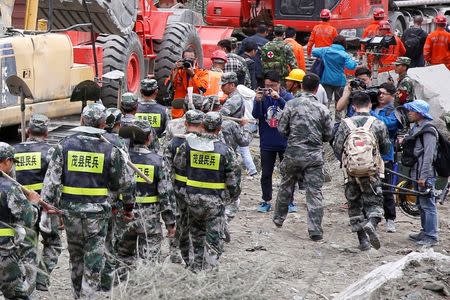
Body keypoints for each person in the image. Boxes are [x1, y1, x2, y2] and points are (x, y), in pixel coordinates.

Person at [41, 103, 135, 298]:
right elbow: (123, 183)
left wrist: (48, 209)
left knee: (75, 257)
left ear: (82, 120)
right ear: (103, 125)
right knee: (94, 260)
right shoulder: (111, 149)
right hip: (98, 215)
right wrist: (128, 206)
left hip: (71, 213)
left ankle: (78, 295)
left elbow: (51, 182)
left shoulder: (64, 145)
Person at [174, 112, 241, 271]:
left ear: (202, 126)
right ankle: (209, 276)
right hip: (214, 204)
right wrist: (231, 197)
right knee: (212, 242)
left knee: (196, 238)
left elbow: (179, 167)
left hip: (192, 201)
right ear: (219, 129)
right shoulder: (226, 151)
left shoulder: (187, 146)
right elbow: (233, 182)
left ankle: (195, 270)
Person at [273, 74, 333, 241]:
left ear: (301, 86)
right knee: (314, 192)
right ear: (316, 88)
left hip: (293, 153)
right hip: (314, 156)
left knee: (286, 186)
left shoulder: (291, 105)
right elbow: (328, 135)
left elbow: (281, 129)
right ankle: (315, 230)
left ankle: (278, 218)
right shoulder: (323, 109)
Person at [333, 92, 391, 251]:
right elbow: (386, 148)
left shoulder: (345, 124)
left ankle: (363, 242)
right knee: (374, 201)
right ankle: (372, 223)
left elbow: (337, 148)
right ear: (370, 105)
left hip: (351, 172)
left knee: (354, 204)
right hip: (372, 171)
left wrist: (349, 162)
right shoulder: (378, 123)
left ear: (353, 106)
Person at [13, 114, 62, 292]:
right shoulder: (51, 151)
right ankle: (41, 277)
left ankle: (26, 280)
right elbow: (57, 182)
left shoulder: (14, 151)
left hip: (20, 208)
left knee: (26, 244)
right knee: (53, 242)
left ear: (27, 131)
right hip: (45, 207)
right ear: (47, 133)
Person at [117, 120, 176, 262]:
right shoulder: (158, 161)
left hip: (124, 217)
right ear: (150, 138)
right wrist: (170, 223)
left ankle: (123, 283)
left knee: (122, 258)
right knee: (150, 260)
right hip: (149, 219)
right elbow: (165, 195)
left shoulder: (121, 159)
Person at [164, 109, 205, 265]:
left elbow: (166, 170)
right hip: (201, 191)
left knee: (178, 222)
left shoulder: (174, 142)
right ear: (202, 124)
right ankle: (195, 257)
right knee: (198, 225)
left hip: (179, 190)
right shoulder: (208, 144)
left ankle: (175, 251)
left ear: (186, 123)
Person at [252, 70, 294, 213]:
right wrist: (257, 101)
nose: (270, 89)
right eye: (267, 85)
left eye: (273, 85)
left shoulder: (287, 97)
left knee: (288, 173)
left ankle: (289, 201)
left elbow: (292, 113)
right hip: (267, 142)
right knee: (266, 173)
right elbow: (256, 115)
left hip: (285, 142)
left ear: (279, 84)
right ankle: (266, 200)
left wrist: (279, 99)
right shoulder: (262, 98)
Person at [0, 142, 38, 299]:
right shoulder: (9, 187)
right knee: (18, 295)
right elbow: (28, 218)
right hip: (4, 253)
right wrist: (33, 202)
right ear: (7, 161)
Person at [402, 100, 439, 246]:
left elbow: (429, 156)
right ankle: (424, 232)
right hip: (415, 172)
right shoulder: (416, 128)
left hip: (425, 174)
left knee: (428, 205)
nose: (409, 113)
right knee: (421, 204)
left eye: (412, 110)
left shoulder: (429, 131)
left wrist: (423, 176)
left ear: (420, 113)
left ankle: (431, 236)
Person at [370, 82, 402, 233]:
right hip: (367, 153)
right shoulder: (371, 106)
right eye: (379, 92)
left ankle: (390, 219)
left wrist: (369, 113)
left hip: (385, 155)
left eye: (383, 93)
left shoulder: (394, 111)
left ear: (392, 95)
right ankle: (371, 218)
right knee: (368, 187)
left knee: (386, 188)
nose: (380, 95)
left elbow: (387, 125)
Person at [312, 35, 357, 107]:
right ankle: (338, 118)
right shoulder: (344, 55)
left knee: (326, 102)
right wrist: (354, 61)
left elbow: (314, 51)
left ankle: (325, 116)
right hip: (340, 81)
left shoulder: (325, 50)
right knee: (339, 103)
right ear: (344, 44)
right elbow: (351, 66)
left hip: (326, 80)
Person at [169, 48, 209, 118]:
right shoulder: (178, 71)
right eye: (186, 59)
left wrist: (193, 75)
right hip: (179, 112)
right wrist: (175, 69)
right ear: (182, 59)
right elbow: (169, 86)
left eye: (191, 59)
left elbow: (203, 88)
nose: (188, 61)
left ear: (195, 59)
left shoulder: (202, 72)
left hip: (195, 112)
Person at [238, 24, 269, 88]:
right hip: (260, 72)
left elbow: (239, 54)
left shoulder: (246, 40)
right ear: (265, 32)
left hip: (247, 69)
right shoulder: (267, 43)